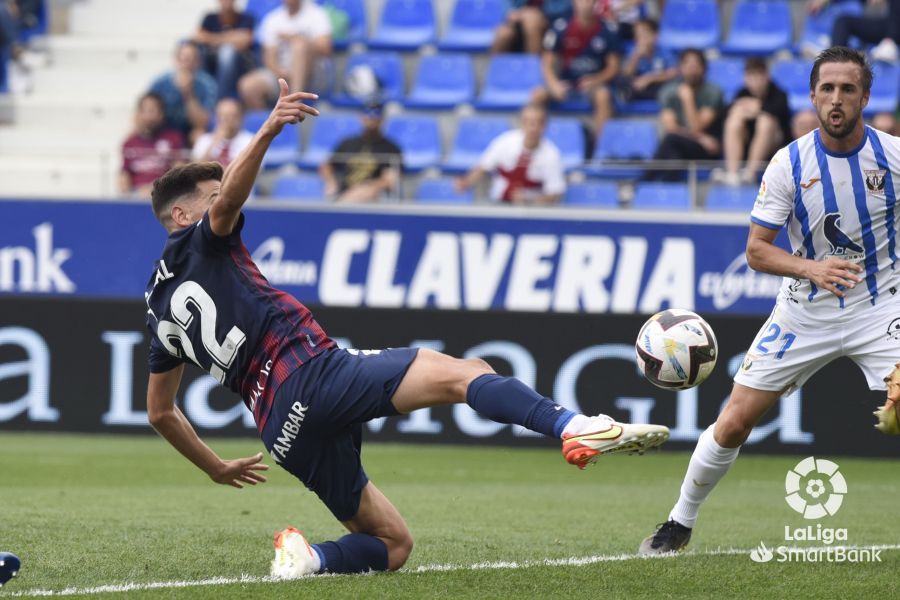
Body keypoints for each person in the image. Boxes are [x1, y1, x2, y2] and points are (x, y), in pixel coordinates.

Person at [144, 78, 670, 577]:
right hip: (311, 374)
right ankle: (575, 427)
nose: (223, 207)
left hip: (280, 427)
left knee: (393, 545)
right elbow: (233, 199)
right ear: (184, 215)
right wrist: (268, 129)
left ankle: (311, 559)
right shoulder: (201, 240)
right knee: (467, 373)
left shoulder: (156, 308)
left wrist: (214, 467)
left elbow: (160, 411)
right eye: (211, 200)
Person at [639, 46, 900, 556]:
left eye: (848, 88)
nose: (837, 99)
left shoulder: (893, 156)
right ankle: (679, 523)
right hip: (804, 309)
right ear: (812, 96)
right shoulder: (789, 163)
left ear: (865, 96)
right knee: (734, 421)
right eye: (827, 89)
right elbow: (756, 251)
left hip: (882, 307)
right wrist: (812, 268)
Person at [531, 0, 620, 136]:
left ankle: (600, 149)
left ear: (595, 4)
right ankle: (529, 143)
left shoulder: (607, 29)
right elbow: (547, 62)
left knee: (603, 96)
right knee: (538, 95)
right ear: (574, 3)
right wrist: (554, 84)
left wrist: (597, 79)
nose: (585, 5)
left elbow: (613, 67)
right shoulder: (561, 27)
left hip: (593, 85)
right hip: (567, 83)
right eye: (581, 1)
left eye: (589, 1)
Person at [455, 104, 566, 205]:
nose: (532, 127)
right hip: (497, 204)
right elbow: (483, 167)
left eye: (537, 122)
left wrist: (529, 200)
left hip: (533, 211)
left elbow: (555, 193)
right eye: (528, 122)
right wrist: (466, 182)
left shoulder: (551, 154)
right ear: (521, 123)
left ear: (544, 126)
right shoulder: (505, 141)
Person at [237, 0, 332, 110]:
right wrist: (282, 72)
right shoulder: (273, 19)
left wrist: (295, 38)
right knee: (248, 86)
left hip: (312, 74)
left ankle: (294, 104)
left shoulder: (316, 14)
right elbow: (269, 58)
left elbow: (325, 48)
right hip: (283, 74)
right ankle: (272, 123)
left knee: (299, 46)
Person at [646, 48, 725, 181]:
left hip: (707, 151)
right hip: (695, 143)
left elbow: (696, 127)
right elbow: (671, 128)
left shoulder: (713, 92)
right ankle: (663, 189)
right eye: (687, 65)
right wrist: (701, 138)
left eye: (695, 66)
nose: (692, 70)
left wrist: (688, 100)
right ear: (681, 68)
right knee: (672, 153)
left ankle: (642, 183)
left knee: (670, 143)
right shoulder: (669, 91)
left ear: (703, 68)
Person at [715, 58, 791, 186]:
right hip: (747, 144)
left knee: (765, 121)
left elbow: (778, 112)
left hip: (774, 145)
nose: (755, 81)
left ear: (767, 76)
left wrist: (758, 108)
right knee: (734, 120)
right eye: (750, 76)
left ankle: (750, 173)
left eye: (758, 75)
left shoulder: (779, 93)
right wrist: (746, 109)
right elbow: (727, 112)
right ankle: (732, 173)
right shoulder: (742, 93)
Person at [318, 100, 401, 203]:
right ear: (361, 117)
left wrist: (370, 187)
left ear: (383, 119)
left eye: (376, 114)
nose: (371, 118)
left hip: (373, 198)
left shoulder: (390, 147)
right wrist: (331, 182)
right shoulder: (347, 143)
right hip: (344, 193)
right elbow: (327, 165)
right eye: (367, 113)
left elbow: (390, 179)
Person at [149, 41, 219, 145]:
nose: (187, 64)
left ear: (198, 62)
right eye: (184, 59)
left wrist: (188, 93)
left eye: (192, 60)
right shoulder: (160, 83)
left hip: (192, 133)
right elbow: (147, 112)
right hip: (165, 131)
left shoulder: (207, 85)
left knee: (199, 135)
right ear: (176, 60)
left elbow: (202, 123)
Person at [120, 93, 187, 197]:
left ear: (161, 114)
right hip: (136, 196)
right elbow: (124, 175)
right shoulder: (129, 142)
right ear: (138, 114)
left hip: (164, 196)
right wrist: (127, 193)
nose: (148, 116)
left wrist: (155, 188)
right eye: (144, 111)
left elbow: (179, 172)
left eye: (152, 111)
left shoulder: (173, 138)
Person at [193, 0, 256, 99]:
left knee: (227, 51)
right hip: (210, 61)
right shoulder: (210, 18)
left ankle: (220, 98)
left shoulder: (246, 18)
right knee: (197, 52)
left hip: (239, 64)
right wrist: (231, 37)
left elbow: (245, 40)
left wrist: (212, 39)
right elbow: (198, 37)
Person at [617, 18, 677, 103]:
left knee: (669, 87)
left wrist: (649, 79)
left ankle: (633, 94)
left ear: (655, 36)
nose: (641, 39)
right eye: (637, 36)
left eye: (644, 35)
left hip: (656, 84)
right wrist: (636, 56)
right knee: (622, 80)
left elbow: (673, 72)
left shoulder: (663, 51)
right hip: (638, 84)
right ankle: (631, 94)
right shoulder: (633, 51)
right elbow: (627, 74)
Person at [490, 0, 572, 55]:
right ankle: (497, 75)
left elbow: (563, 7)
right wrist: (512, 12)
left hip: (548, 20)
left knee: (531, 21)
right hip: (519, 19)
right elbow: (508, 6)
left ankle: (532, 71)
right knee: (503, 34)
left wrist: (539, 12)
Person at [191, 98, 254, 167]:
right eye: (222, 116)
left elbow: (256, 168)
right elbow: (195, 169)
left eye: (231, 116)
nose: (226, 120)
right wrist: (214, 142)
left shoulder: (250, 141)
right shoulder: (205, 140)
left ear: (240, 118)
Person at [831, 0, 899, 63]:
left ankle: (889, 43)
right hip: (880, 26)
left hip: (894, 29)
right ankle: (837, 57)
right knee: (843, 21)